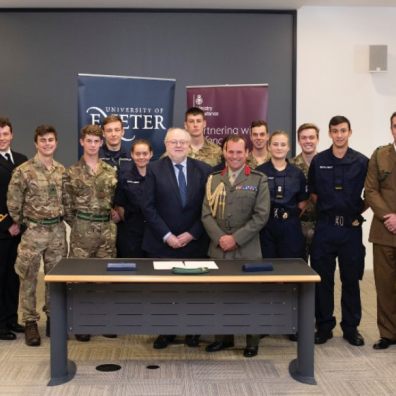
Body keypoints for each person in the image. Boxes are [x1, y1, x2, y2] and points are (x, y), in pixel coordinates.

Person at [142, 127, 212, 349]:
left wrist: (192, 233)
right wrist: (167, 235)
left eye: (183, 142)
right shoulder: (153, 169)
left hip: (195, 242)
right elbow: (148, 207)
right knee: (165, 290)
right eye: (174, 142)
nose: (179, 145)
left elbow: (209, 208)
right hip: (163, 243)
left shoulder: (204, 170)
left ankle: (193, 331)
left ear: (190, 144)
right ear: (166, 144)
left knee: (194, 290)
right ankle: (167, 331)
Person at [202, 135, 270, 357]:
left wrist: (236, 238)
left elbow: (261, 216)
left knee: (250, 296)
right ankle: (223, 338)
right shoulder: (213, 179)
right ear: (224, 152)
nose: (234, 156)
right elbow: (205, 214)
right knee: (218, 294)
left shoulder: (259, 179)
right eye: (230, 151)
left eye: (239, 152)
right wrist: (221, 238)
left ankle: (252, 341)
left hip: (247, 249)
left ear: (247, 153)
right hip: (218, 248)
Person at [308, 115, 368, 346]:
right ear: (330, 133)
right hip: (325, 227)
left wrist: (352, 212)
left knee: (351, 279)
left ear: (350, 132)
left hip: (351, 230)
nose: (339, 135)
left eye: (343, 130)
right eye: (335, 131)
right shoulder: (319, 160)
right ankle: (324, 326)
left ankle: (351, 328)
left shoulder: (362, 161)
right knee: (323, 279)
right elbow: (313, 193)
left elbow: (369, 194)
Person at [7, 125, 66, 346]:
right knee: (29, 277)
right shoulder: (24, 171)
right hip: (33, 232)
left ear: (56, 142)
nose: (47, 144)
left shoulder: (62, 171)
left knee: (55, 278)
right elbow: (13, 204)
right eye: (43, 140)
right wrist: (25, 224)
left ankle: (53, 317)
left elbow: (66, 201)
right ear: (36, 143)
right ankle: (30, 321)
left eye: (51, 140)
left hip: (57, 233)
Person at [63, 124, 118, 342]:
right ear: (82, 142)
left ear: (101, 143)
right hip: (82, 232)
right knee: (80, 278)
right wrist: (80, 225)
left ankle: (103, 320)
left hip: (106, 232)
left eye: (97, 141)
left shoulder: (110, 171)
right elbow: (67, 207)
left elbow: (114, 201)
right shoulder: (71, 172)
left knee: (105, 278)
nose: (93, 145)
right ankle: (82, 322)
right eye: (89, 141)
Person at [365, 111, 396, 350]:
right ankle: (388, 333)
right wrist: (389, 217)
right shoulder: (379, 155)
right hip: (385, 229)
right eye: (395, 126)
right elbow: (371, 191)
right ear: (391, 128)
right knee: (384, 284)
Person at [257, 130, 308, 260]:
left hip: (290, 225)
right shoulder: (259, 172)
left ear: (288, 147)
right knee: (268, 268)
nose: (279, 148)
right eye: (275, 144)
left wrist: (288, 215)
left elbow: (302, 202)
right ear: (269, 146)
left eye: (283, 144)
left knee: (290, 267)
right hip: (266, 225)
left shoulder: (297, 173)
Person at [0, 117, 27, 341]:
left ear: (12, 135)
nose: (2, 138)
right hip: (1, 230)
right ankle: (0, 324)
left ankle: (11, 318)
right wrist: (7, 223)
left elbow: (27, 195)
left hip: (20, 229)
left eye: (5, 134)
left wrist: (21, 222)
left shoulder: (21, 160)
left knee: (13, 276)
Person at [114, 139, 153, 258]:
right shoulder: (124, 177)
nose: (141, 157)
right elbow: (119, 205)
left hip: (153, 232)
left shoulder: (158, 175)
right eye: (137, 154)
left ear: (151, 154)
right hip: (131, 233)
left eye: (145, 154)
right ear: (132, 154)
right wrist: (130, 222)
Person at [290, 123, 320, 261]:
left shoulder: (326, 163)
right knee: (298, 271)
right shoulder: (290, 166)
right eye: (304, 138)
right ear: (299, 140)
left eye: (311, 137)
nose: (308, 141)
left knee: (321, 271)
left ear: (317, 139)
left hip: (321, 225)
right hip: (298, 226)